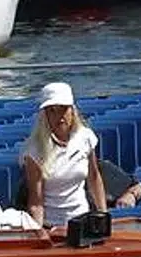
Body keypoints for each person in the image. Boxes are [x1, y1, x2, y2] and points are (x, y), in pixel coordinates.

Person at [22, 81, 107, 227]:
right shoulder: (34, 150)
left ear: (72, 110)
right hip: (52, 225)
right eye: (52, 111)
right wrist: (40, 234)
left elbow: (94, 177)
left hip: (82, 221)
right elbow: (36, 202)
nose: (59, 116)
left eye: (63, 109)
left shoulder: (86, 138)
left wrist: (103, 215)